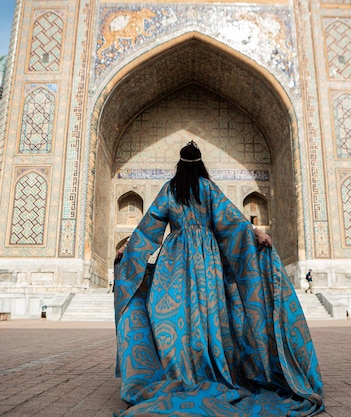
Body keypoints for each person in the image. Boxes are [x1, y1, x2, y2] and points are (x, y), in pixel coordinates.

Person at [113, 141, 324, 416]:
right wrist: (256, 232)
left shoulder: (170, 189)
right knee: (208, 312)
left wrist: (127, 249)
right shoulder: (209, 189)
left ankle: (181, 370)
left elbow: (148, 228)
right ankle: (210, 365)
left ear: (178, 165)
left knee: (177, 316)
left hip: (174, 260)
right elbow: (233, 222)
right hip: (208, 261)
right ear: (201, 165)